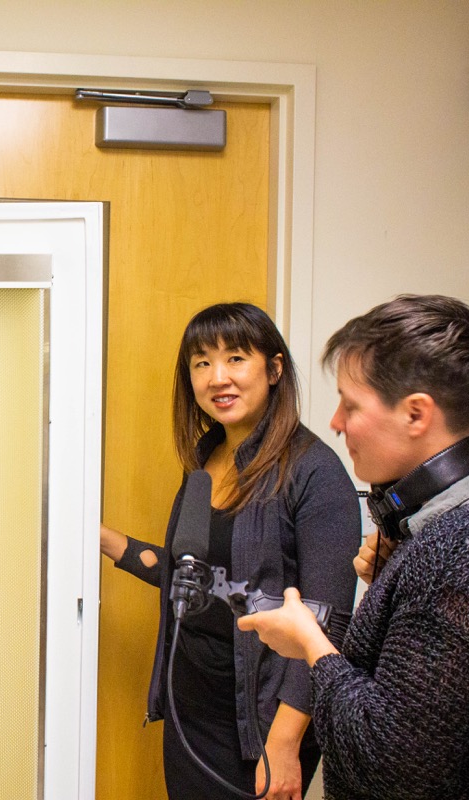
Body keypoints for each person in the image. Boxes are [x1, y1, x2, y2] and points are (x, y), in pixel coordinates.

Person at [237, 294, 469, 799]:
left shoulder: (461, 548)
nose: (335, 422)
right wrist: (392, 587)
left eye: (350, 404)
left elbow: (390, 767)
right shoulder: (456, 530)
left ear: (416, 414)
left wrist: (312, 644)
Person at [101, 302, 361, 800]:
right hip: (191, 706)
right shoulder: (205, 459)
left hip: (260, 724)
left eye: (236, 358)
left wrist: (284, 742)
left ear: (275, 368)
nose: (217, 377)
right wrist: (98, 537)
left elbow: (329, 624)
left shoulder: (315, 472)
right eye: (202, 363)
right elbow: (192, 577)